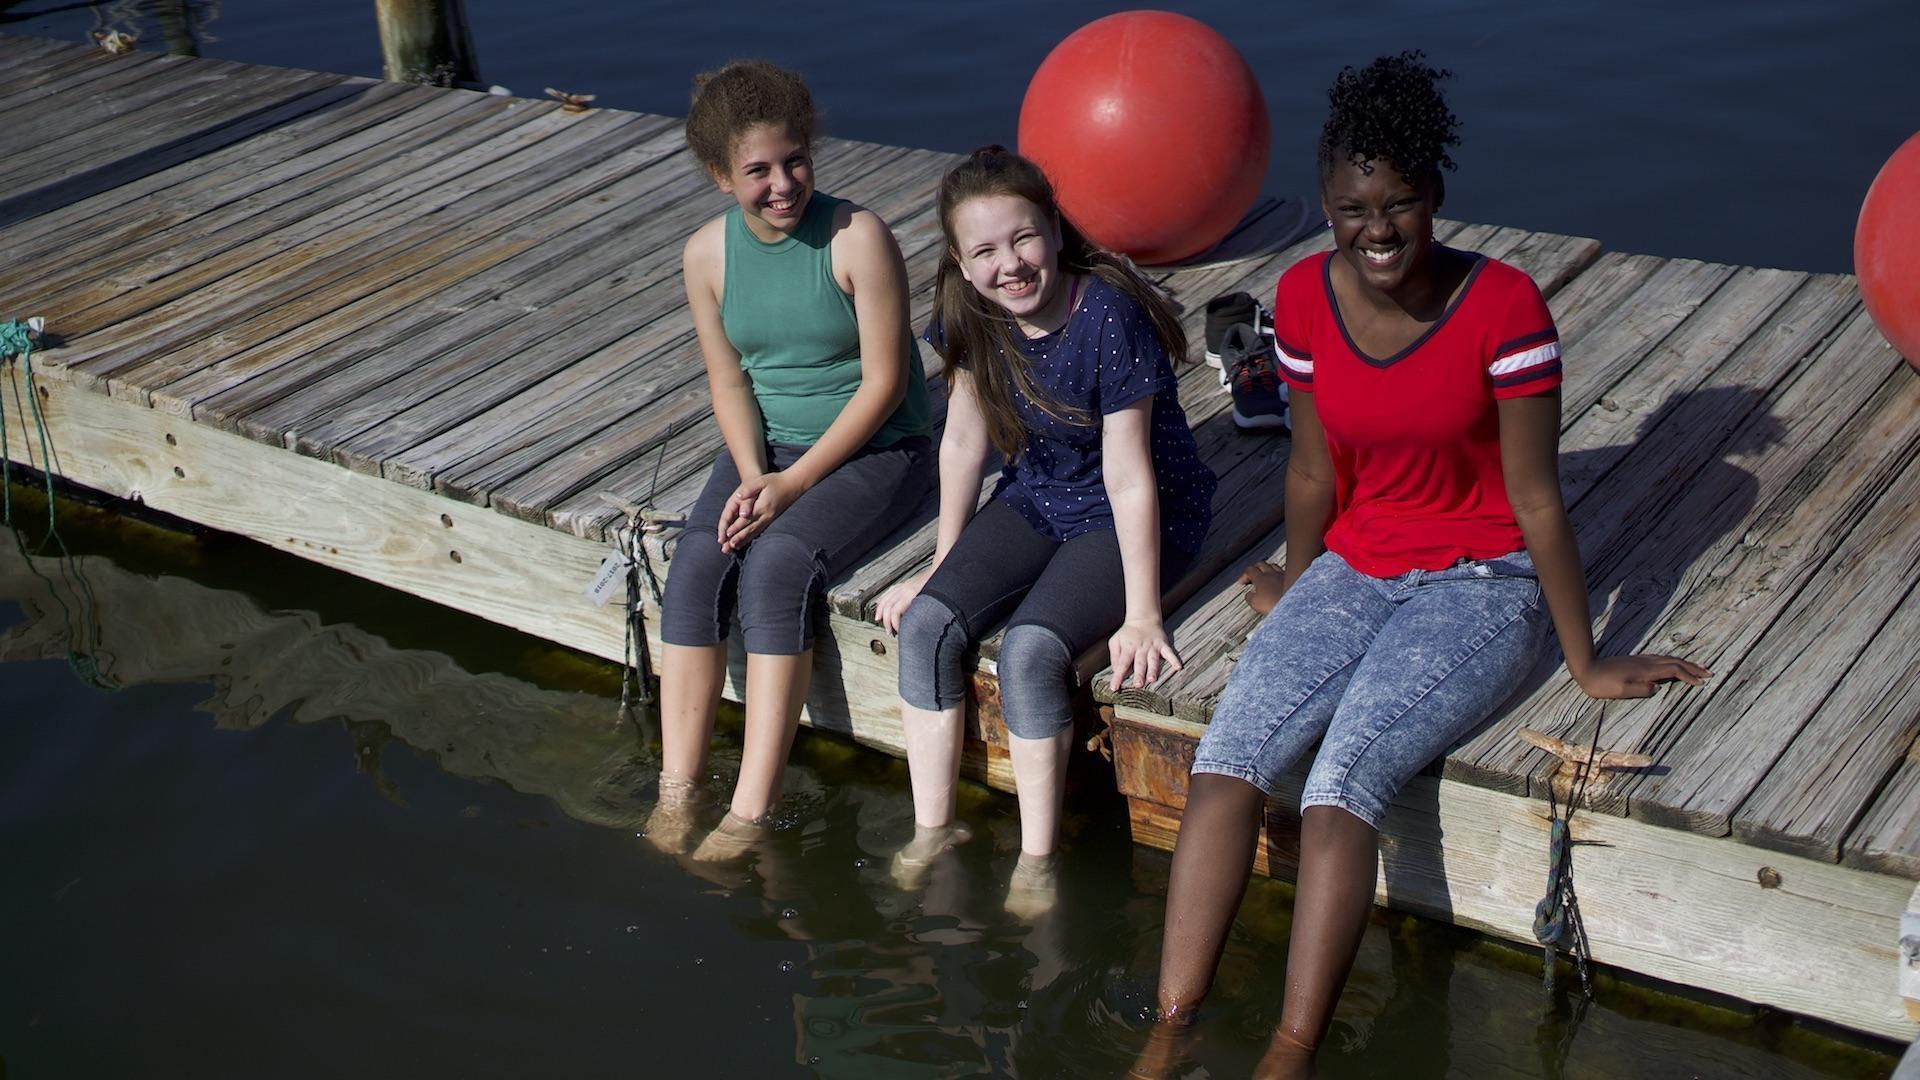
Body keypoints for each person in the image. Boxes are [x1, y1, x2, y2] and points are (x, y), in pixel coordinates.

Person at [1141, 52, 1710, 1075]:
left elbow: (1537, 497)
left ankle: (1289, 1051)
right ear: (1324, 206)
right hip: (1353, 570)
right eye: (1353, 208)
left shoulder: (1504, 309)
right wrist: (1299, 583)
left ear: (1435, 196)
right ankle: (1170, 1032)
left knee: (1338, 786)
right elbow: (1313, 471)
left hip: (1481, 588)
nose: (1377, 229)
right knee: (1227, 763)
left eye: (1399, 203)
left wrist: (1584, 660)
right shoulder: (1306, 298)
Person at [873, 147, 1216, 916]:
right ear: (961, 265)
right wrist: (943, 562)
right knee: (928, 623)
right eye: (986, 251)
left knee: (1029, 650)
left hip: (1126, 512)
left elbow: (1129, 476)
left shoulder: (1107, 318)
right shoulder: (972, 314)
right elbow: (962, 443)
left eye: (1024, 239)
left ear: (1055, 231)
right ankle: (934, 830)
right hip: (1038, 493)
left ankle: (1037, 856)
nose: (1012, 265)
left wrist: (1141, 613)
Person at [648, 60, 933, 857]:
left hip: (876, 446)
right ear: (719, 176)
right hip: (765, 449)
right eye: (757, 171)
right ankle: (679, 791)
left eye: (795, 160)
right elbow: (728, 378)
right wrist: (751, 475)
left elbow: (883, 385)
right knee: (699, 565)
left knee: (775, 569)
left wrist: (793, 484)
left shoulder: (856, 237)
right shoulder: (707, 255)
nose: (783, 184)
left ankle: (748, 809)